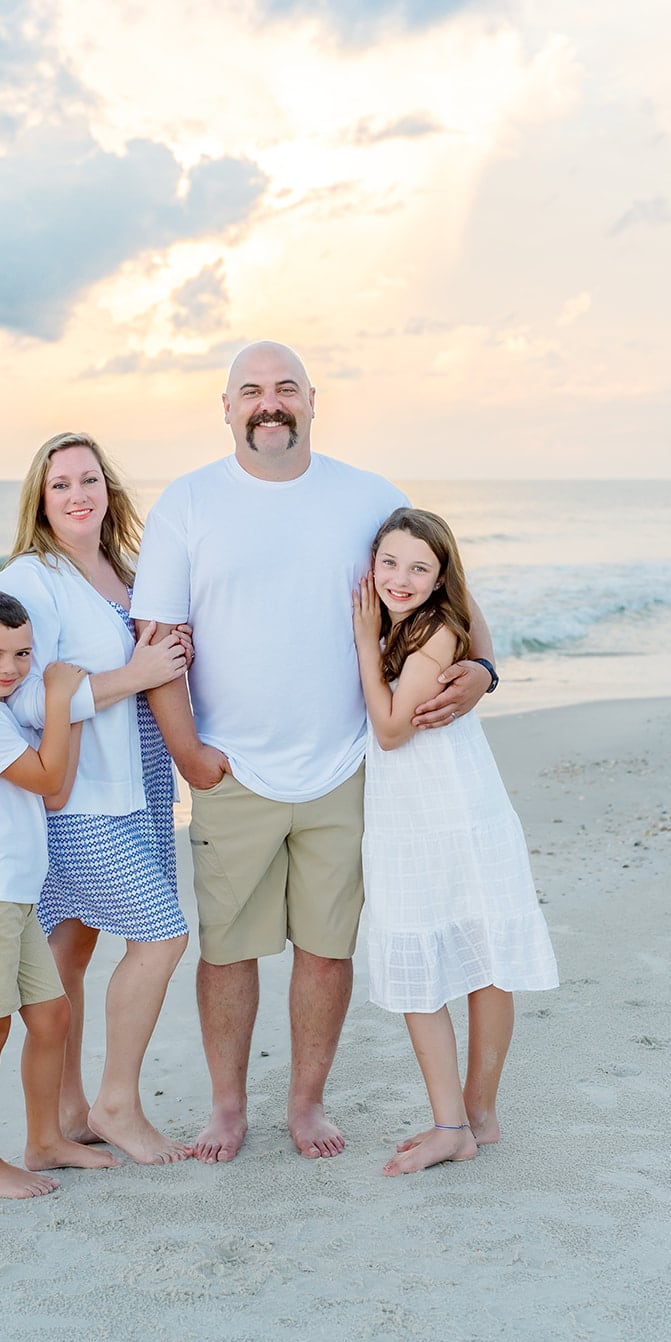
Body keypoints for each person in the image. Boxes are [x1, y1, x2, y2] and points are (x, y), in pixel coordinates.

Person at [131, 340, 499, 1162]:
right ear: (225, 408)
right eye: (251, 390)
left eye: (285, 388)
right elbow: (158, 639)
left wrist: (481, 668)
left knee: (326, 951)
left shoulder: (368, 498)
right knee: (226, 952)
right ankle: (227, 1109)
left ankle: (306, 1104)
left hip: (349, 765)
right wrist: (189, 754)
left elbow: (453, 597)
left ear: (309, 402)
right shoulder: (188, 504)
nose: (270, 402)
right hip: (233, 770)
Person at [0, 433, 195, 1165]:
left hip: (139, 790)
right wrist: (135, 675)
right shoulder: (28, 579)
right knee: (162, 934)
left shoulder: (126, 573)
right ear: (39, 502)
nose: (77, 494)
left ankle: (63, 1115)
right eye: (59, 485)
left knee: (70, 947)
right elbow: (17, 699)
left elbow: (154, 666)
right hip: (79, 797)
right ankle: (117, 1103)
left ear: (107, 487)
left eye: (87, 479)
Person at [352, 508, 559, 1175]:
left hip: (445, 810)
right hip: (422, 807)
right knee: (462, 948)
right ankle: (472, 1116)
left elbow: (390, 729)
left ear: (442, 575)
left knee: (464, 953)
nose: (400, 578)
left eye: (418, 567)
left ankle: (458, 1121)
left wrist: (361, 643)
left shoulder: (435, 629)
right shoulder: (411, 623)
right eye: (389, 563)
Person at [0, 588, 120, 1199]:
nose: (9, 668)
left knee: (51, 1014)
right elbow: (44, 776)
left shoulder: (3, 710)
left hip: (12, 899)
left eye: (21, 654)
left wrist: (70, 710)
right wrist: (61, 697)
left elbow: (54, 791)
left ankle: (44, 1142)